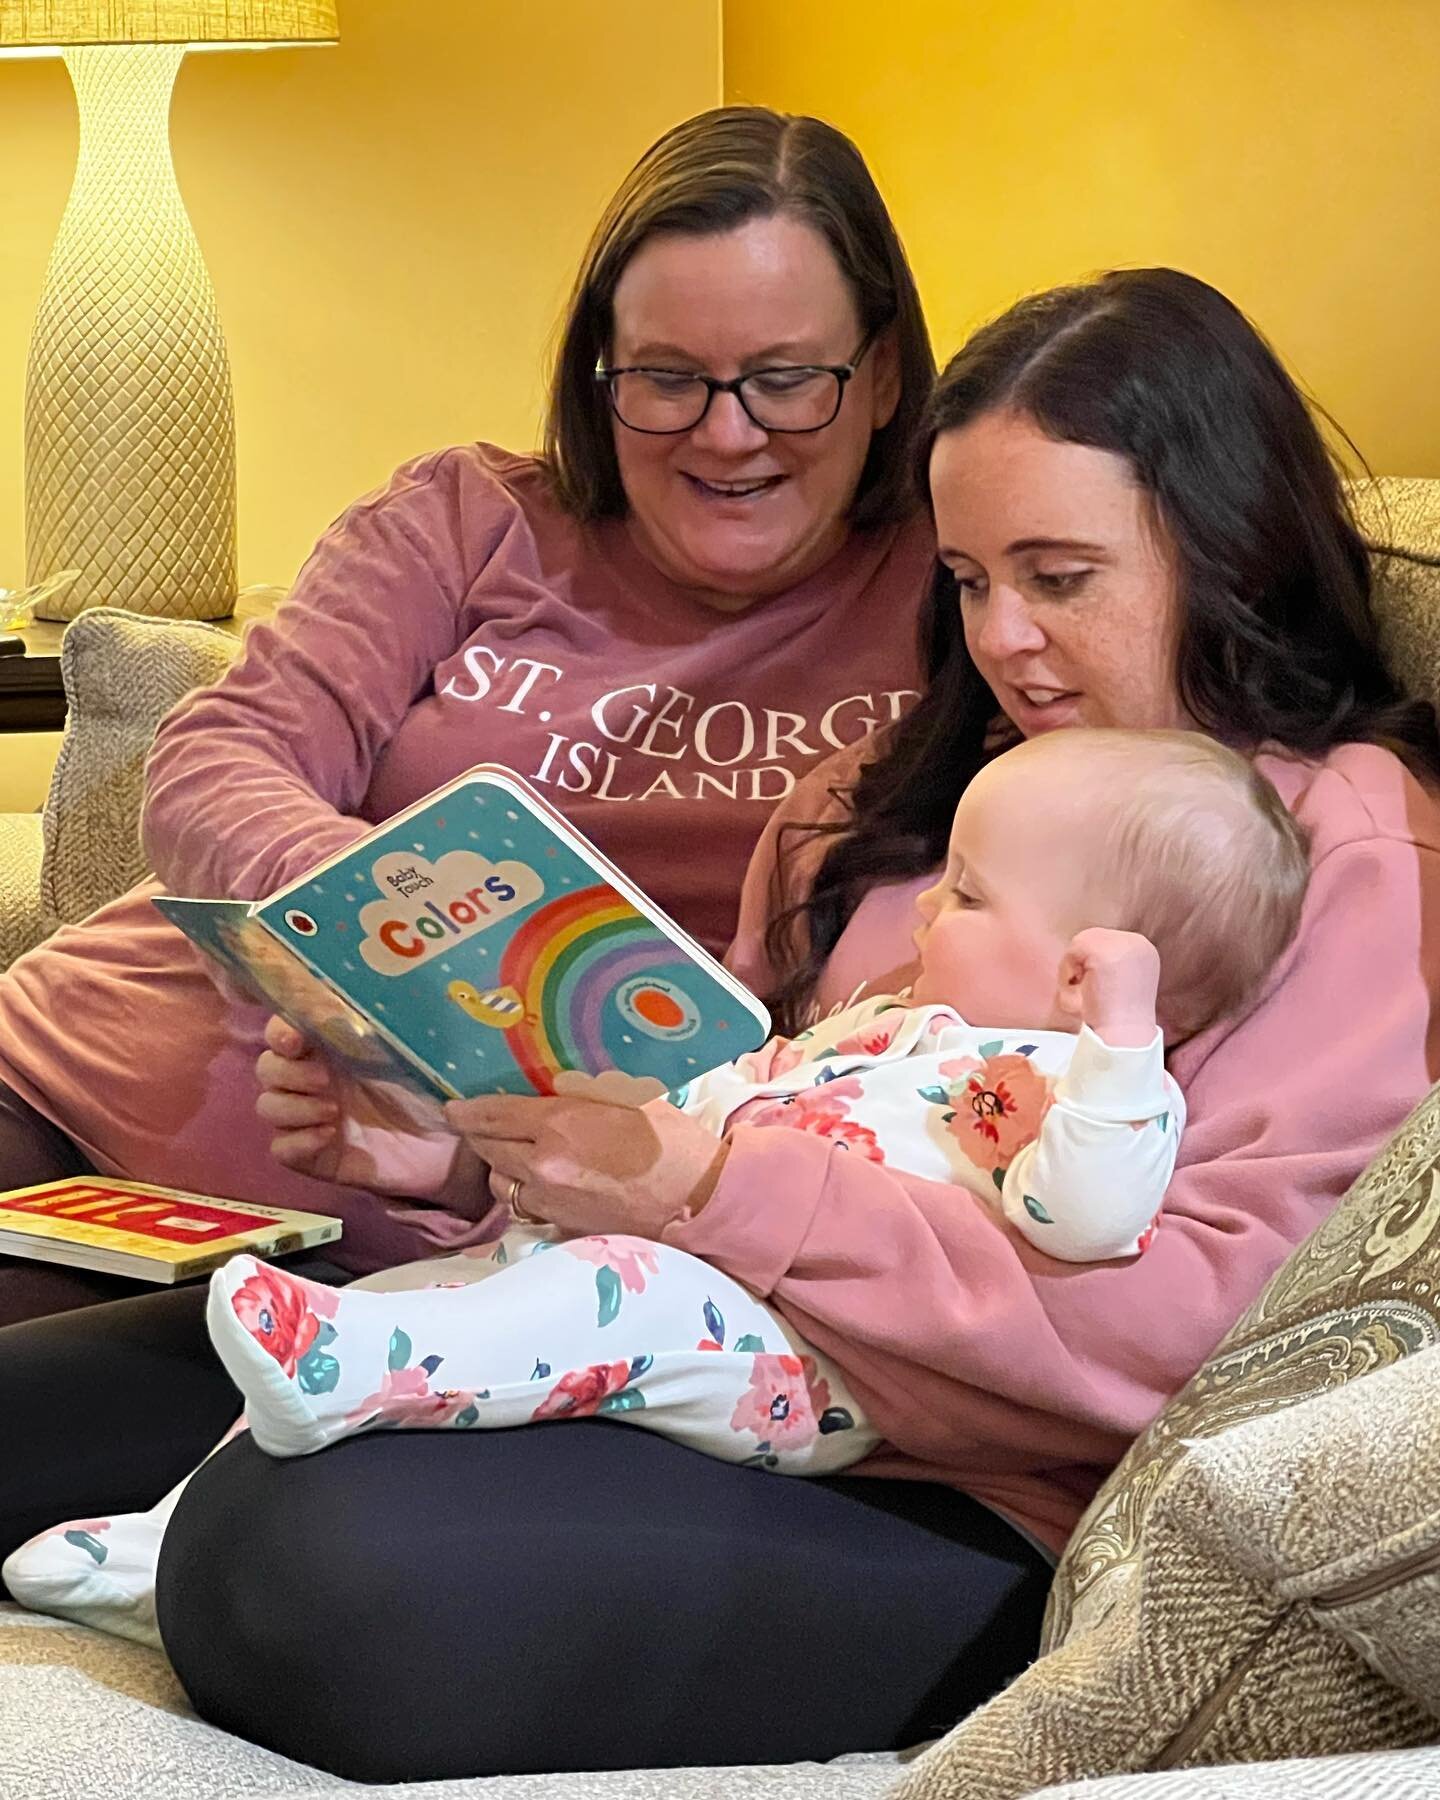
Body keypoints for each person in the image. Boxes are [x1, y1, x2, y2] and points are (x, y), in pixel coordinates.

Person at [14, 265, 1440, 1785]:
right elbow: (736, 1123)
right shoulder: (873, 814)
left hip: (943, 1486)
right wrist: (451, 1158)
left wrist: (706, 1189)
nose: (1008, 641)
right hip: (645, 1354)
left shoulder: (1339, 841)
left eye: (1062, 576)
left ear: (1231, 551)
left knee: (296, 1563)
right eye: (966, 580)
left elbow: (1206, 1333)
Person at [2, 728, 1309, 1648]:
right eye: (970, 576)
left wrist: (1124, 1041)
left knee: (604, 1296)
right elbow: (697, 1135)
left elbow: (1094, 1221)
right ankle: (161, 1536)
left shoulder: (1049, 1075)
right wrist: (482, 1151)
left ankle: (352, 1373)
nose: (923, 912)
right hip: (696, 1287)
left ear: (1089, 968)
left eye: (964, 895)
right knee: (454, 1277)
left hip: (815, 1371)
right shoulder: (888, 1024)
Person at [0, 105, 936, 1327]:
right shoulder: (469, 518)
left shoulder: (960, 589)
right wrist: (381, 907)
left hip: (401, 1247)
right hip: (65, 1079)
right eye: (665, 378)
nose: (725, 431)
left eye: (783, 380)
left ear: (880, 377)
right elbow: (214, 761)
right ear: (598, 378)